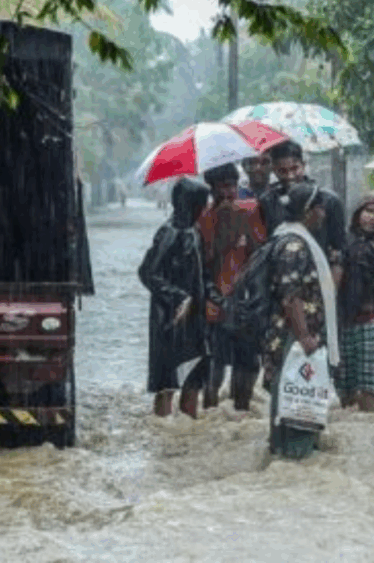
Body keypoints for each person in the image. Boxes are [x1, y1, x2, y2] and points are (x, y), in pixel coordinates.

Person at [262, 183, 340, 459]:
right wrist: (305, 335)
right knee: (296, 401)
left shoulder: (290, 238)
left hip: (294, 335)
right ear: (308, 211)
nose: (323, 214)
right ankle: (293, 457)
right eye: (320, 208)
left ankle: (285, 459)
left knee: (292, 400)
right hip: (293, 337)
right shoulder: (294, 246)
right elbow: (290, 295)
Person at [138, 178, 212, 417]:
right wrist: (178, 297)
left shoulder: (194, 230)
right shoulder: (169, 233)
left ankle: (190, 429)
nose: (206, 208)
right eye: (202, 203)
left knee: (194, 377)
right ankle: (163, 428)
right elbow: (147, 272)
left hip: (195, 316)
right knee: (167, 383)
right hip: (170, 317)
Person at [197, 164, 268, 411]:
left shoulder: (251, 210)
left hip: (245, 300)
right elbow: (203, 260)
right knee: (214, 363)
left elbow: (261, 250)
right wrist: (224, 234)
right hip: (214, 302)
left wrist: (241, 227)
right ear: (212, 189)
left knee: (247, 362)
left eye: (232, 186)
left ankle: (241, 410)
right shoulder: (204, 217)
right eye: (222, 187)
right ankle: (210, 411)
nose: (228, 192)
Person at [338, 192, 374, 412]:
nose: (371, 217)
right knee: (345, 384)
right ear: (358, 213)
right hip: (344, 320)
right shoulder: (343, 241)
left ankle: (368, 418)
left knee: (370, 385)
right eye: (368, 211)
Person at [259, 140, 347, 285]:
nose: (290, 176)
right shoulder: (268, 202)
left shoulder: (328, 201)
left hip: (321, 277)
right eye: (283, 171)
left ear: (304, 165)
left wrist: (331, 290)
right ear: (274, 170)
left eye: (295, 168)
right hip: (280, 281)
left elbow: (339, 251)